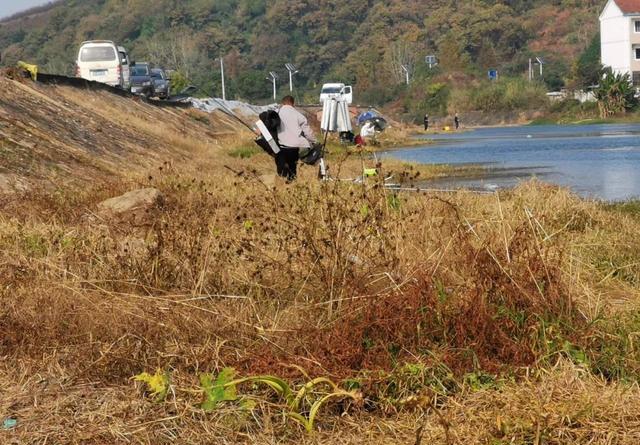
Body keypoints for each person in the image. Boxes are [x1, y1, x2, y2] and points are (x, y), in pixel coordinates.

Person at [276, 95, 316, 182]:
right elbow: (307, 132)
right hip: (294, 147)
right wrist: (314, 141)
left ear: (282, 103)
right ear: (293, 103)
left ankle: (282, 183)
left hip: (281, 146)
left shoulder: (277, 113)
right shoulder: (299, 115)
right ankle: (292, 182)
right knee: (292, 167)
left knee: (282, 168)